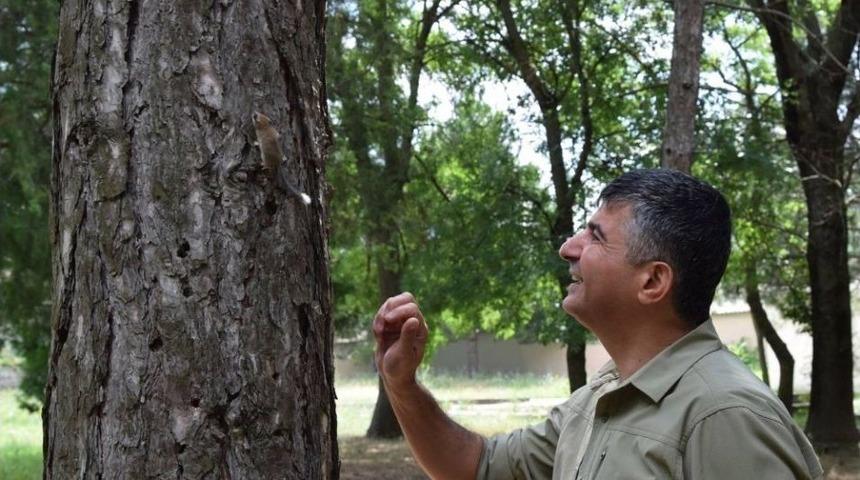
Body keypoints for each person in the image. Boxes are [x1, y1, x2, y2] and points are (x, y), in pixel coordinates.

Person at [372, 168, 823, 480]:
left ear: (652, 281)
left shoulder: (724, 414)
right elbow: (478, 467)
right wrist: (402, 386)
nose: (569, 247)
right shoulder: (602, 397)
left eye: (595, 236)